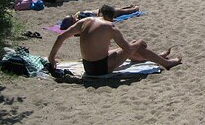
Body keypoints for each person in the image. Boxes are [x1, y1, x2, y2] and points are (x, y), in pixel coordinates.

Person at [48, 4, 182, 76]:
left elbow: (61, 36)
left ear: (99, 13)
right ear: (111, 18)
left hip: (87, 66)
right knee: (136, 45)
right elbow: (128, 50)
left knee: (131, 46)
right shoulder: (110, 27)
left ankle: (157, 57)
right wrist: (140, 42)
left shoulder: (84, 21)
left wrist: (51, 58)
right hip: (100, 68)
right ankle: (166, 63)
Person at [60, 5, 140, 30]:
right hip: (101, 15)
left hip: (98, 12)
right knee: (118, 11)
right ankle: (133, 9)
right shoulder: (80, 24)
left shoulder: (78, 18)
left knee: (115, 9)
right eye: (72, 18)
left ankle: (128, 7)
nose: (73, 17)